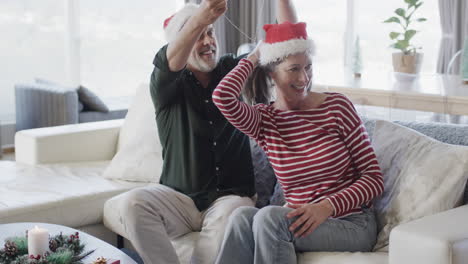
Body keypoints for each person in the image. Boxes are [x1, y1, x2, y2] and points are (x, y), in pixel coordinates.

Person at [118, 1, 299, 263]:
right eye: (199, 34)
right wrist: (200, 18)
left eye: (211, 32)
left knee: (233, 212)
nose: (208, 41)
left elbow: (288, 37)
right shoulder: (165, 84)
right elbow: (169, 62)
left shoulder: (231, 70)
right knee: (132, 203)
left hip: (230, 198)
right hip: (179, 199)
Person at [212, 21, 385, 264]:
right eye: (293, 69)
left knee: (269, 218)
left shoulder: (337, 107)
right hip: (300, 219)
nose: (304, 78)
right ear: (272, 73)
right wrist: (254, 57)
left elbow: (374, 179)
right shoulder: (265, 120)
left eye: (308, 67)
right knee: (241, 217)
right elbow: (222, 97)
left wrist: (327, 206)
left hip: (351, 222)